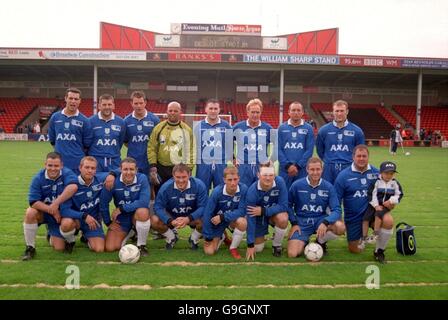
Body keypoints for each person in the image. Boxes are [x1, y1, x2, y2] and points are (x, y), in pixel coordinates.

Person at [334, 145, 395, 263]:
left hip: (373, 214)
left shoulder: (377, 173)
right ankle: (363, 237)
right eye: (358, 156)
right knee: (355, 250)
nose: (361, 159)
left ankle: (379, 251)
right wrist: (339, 218)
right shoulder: (343, 176)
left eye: (364, 156)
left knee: (388, 220)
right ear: (353, 157)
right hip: (354, 217)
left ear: (368, 157)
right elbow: (336, 199)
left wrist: (390, 203)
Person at [21, 152, 78, 260]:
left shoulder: (67, 173)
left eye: (56, 166)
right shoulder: (38, 178)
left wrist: (55, 204)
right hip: (45, 213)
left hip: (63, 214)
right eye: (50, 165)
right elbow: (33, 202)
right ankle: (30, 247)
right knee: (30, 212)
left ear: (61, 165)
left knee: (59, 247)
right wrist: (51, 209)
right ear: (45, 165)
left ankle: (69, 240)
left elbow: (73, 187)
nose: (53, 168)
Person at [287, 157, 345, 258]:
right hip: (302, 222)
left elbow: (336, 210)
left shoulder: (328, 187)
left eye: (318, 169)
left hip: (320, 220)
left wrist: (325, 222)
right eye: (312, 169)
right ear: (307, 170)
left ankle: (320, 241)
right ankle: (303, 240)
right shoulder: (297, 185)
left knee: (340, 227)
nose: (315, 172)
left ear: (322, 170)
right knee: (292, 254)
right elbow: (288, 205)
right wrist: (294, 223)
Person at [100, 157, 151, 256]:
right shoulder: (112, 180)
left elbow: (144, 202)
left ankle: (141, 245)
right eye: (125, 169)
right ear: (120, 169)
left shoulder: (142, 178)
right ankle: (131, 231)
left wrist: (122, 208)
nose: (128, 172)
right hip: (123, 218)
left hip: (137, 214)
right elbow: (103, 202)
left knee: (143, 212)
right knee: (110, 248)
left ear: (136, 170)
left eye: (131, 169)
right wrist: (108, 222)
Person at [151, 164, 208, 250]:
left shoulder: (199, 185)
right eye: (178, 177)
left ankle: (194, 238)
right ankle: (171, 238)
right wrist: (170, 220)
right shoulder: (166, 187)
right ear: (173, 176)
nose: (181, 180)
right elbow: (158, 207)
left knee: (207, 219)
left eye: (184, 177)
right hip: (172, 216)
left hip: (191, 216)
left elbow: (204, 206)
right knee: (154, 220)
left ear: (189, 175)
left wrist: (188, 218)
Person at [59, 156, 110, 253]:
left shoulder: (100, 179)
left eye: (93, 168)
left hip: (93, 221)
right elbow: (64, 210)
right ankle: (70, 241)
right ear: (80, 168)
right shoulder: (71, 184)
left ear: (96, 170)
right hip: (76, 220)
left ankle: (86, 237)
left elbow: (120, 171)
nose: (90, 171)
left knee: (99, 249)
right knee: (66, 224)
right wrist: (83, 216)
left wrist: (112, 174)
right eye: (87, 167)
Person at [148, 101, 194, 195]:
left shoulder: (186, 129)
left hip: (179, 168)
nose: (172, 112)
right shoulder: (159, 128)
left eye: (175, 111)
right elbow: (152, 147)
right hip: (161, 168)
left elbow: (191, 150)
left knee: (177, 195)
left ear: (180, 112)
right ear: (167, 111)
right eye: (170, 110)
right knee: (160, 194)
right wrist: (153, 165)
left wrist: (189, 168)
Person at [245, 162, 289, 260]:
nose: (268, 178)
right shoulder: (252, 191)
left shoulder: (280, 182)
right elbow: (250, 218)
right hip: (258, 218)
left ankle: (277, 245)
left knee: (283, 218)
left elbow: (284, 206)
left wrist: (264, 211)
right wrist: (250, 244)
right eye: (265, 175)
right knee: (258, 249)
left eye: (271, 175)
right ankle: (261, 236)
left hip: (272, 215)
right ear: (258, 175)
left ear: (274, 175)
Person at [202, 166, 248, 259]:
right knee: (209, 252)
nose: (233, 183)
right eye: (229, 180)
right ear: (224, 180)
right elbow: (208, 213)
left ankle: (233, 248)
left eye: (235, 179)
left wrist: (222, 217)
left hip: (230, 220)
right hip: (217, 222)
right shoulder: (217, 192)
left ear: (239, 178)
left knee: (243, 222)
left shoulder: (243, 189)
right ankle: (222, 236)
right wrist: (208, 236)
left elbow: (242, 210)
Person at [316, 100, 365, 184]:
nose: (339, 113)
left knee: (347, 194)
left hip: (348, 167)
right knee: (329, 193)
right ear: (333, 112)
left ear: (347, 112)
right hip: (329, 168)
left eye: (342, 111)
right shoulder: (323, 130)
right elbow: (320, 150)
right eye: (337, 111)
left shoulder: (357, 131)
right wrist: (329, 160)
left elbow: (360, 151)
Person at [360, 161, 404, 254]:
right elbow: (372, 194)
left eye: (391, 173)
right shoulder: (376, 182)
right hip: (374, 204)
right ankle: (363, 238)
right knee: (365, 219)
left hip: (385, 206)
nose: (389, 176)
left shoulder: (395, 183)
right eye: (386, 173)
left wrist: (391, 200)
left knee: (378, 215)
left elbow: (399, 195)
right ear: (381, 173)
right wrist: (375, 205)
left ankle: (375, 235)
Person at [48, 88, 92, 174]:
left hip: (77, 164)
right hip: (59, 163)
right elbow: (53, 140)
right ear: (66, 98)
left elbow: (87, 145)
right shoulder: (55, 117)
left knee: (75, 186)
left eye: (76, 99)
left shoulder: (85, 120)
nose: (73, 101)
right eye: (71, 98)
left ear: (80, 101)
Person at [233, 99, 274, 187]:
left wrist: (271, 159)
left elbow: (279, 144)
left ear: (261, 113)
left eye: (257, 112)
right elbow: (227, 142)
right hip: (243, 166)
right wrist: (233, 158)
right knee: (243, 192)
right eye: (252, 112)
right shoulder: (238, 127)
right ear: (247, 112)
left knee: (261, 193)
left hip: (261, 167)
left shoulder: (267, 128)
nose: (255, 115)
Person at [194, 98, 233, 192]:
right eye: (211, 108)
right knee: (202, 190)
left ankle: (219, 207)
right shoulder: (199, 126)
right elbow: (195, 146)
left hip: (220, 164)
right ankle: (203, 207)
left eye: (215, 109)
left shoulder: (226, 125)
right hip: (203, 164)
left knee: (221, 191)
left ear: (219, 110)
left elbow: (230, 145)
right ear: (206, 109)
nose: (213, 111)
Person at [124, 91, 160, 180]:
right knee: (133, 186)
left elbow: (158, 142)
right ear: (131, 103)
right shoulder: (126, 121)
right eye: (136, 103)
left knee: (151, 187)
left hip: (150, 162)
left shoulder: (154, 119)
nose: (139, 106)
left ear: (145, 103)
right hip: (133, 161)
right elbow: (125, 141)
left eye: (141, 103)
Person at [277, 101, 315, 189]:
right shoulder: (281, 128)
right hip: (285, 170)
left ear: (302, 112)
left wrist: (297, 166)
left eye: (298, 110)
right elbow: (278, 149)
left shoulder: (308, 128)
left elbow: (309, 150)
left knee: (301, 196)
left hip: (301, 170)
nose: (296, 113)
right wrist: (288, 166)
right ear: (289, 112)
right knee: (285, 196)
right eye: (293, 110)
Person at [88, 94, 126, 172]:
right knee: (96, 184)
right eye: (104, 104)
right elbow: (87, 142)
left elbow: (120, 141)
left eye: (109, 104)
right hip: (95, 162)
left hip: (114, 161)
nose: (107, 107)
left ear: (113, 106)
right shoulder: (90, 121)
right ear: (99, 106)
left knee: (113, 183)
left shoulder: (120, 122)